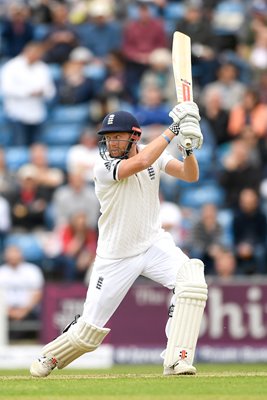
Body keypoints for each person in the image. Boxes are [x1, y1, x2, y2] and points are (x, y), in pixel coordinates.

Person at [30, 102, 208, 377]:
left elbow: (190, 175)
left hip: (153, 244)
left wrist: (187, 148)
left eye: (117, 137)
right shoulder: (103, 167)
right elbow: (141, 162)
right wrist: (173, 129)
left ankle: (177, 359)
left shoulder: (154, 154)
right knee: (88, 333)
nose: (111, 143)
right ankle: (49, 356)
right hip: (116, 256)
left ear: (134, 136)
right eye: (108, 138)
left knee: (192, 280)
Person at [0, 41, 56, 146]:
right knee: (20, 147)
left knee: (37, 147)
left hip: (38, 115)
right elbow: (6, 89)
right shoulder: (12, 66)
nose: (36, 56)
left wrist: (42, 92)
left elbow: (51, 91)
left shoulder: (43, 68)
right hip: (17, 115)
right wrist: (29, 92)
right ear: (26, 51)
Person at [0, 245, 44, 340]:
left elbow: (38, 293)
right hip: (5, 310)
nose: (13, 258)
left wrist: (24, 310)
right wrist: (8, 311)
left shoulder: (32, 270)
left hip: (29, 310)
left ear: (21, 256)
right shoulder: (2, 272)